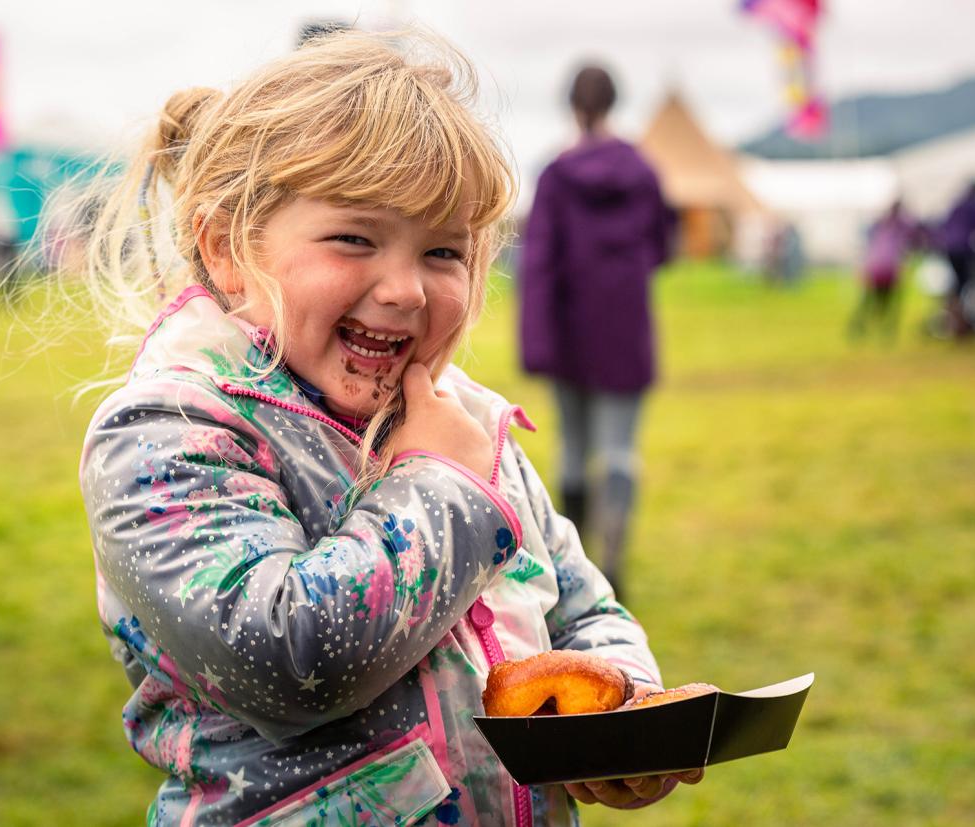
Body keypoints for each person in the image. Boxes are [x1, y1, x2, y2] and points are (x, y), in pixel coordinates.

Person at [72, 32, 700, 827]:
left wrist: (620, 707)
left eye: (444, 251)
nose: (404, 289)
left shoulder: (466, 421)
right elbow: (289, 663)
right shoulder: (169, 433)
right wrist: (438, 484)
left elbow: (581, 608)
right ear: (228, 246)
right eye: (355, 238)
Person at [517, 65, 672, 599]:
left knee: (573, 449)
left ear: (571, 105)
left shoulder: (556, 176)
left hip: (568, 334)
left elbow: (538, 263)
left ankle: (576, 568)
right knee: (620, 451)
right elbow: (662, 245)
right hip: (624, 330)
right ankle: (613, 555)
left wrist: (535, 342)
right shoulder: (642, 171)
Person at [848, 199, 919, 341]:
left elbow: (869, 246)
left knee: (869, 301)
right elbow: (912, 243)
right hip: (890, 268)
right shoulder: (903, 226)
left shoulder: (879, 225)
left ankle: (859, 327)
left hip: (875, 267)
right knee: (889, 303)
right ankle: (887, 331)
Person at [938, 179, 975, 337]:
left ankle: (952, 321)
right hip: (964, 249)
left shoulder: (957, 203)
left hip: (950, 248)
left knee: (956, 286)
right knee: (963, 285)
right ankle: (959, 324)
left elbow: (944, 223)